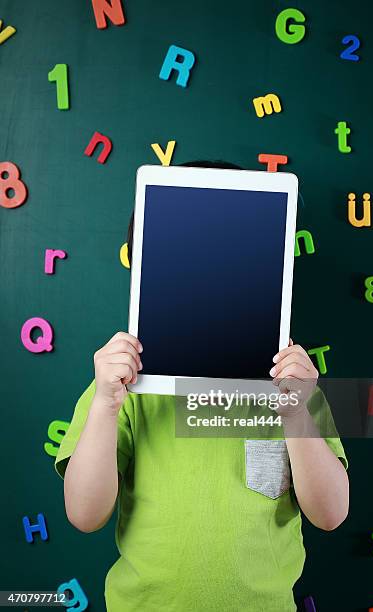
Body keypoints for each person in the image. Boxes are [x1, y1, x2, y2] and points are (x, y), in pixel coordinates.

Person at [55, 161, 349, 612]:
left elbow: (330, 514)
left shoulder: (294, 387)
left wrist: (295, 409)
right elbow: (84, 513)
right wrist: (105, 406)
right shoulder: (120, 389)